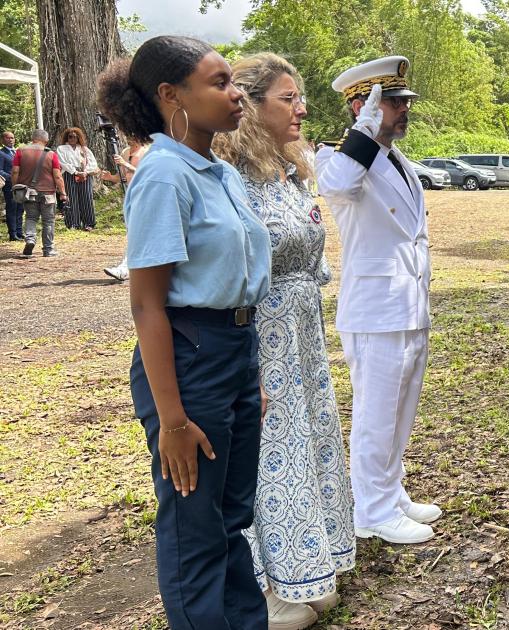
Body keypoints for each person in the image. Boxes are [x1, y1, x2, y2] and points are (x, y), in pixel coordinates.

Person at [97, 35, 271, 628]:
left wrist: (253, 374)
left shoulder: (218, 172)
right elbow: (147, 305)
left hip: (234, 352)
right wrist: (172, 421)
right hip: (190, 358)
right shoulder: (165, 175)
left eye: (235, 82)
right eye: (219, 83)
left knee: (231, 517)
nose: (236, 94)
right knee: (195, 528)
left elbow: (239, 280)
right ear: (172, 95)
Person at [212, 52, 355, 630]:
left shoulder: (289, 172)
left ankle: (306, 563)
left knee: (307, 441)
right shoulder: (230, 178)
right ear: (249, 103)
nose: (302, 108)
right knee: (268, 452)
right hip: (261, 340)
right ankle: (263, 584)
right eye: (288, 98)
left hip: (303, 339)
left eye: (300, 98)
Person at [316, 56, 442, 545]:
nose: (402, 110)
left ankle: (390, 492)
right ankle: (370, 509)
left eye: (403, 101)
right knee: (376, 413)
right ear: (361, 105)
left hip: (408, 302)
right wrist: (364, 131)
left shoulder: (397, 160)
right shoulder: (338, 157)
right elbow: (339, 186)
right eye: (391, 102)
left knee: (400, 408)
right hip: (374, 308)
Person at [102, 135, 150, 282]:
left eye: (132, 136)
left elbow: (147, 173)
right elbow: (122, 176)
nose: (130, 139)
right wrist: (110, 177)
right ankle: (130, 268)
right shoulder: (125, 151)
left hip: (146, 194)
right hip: (130, 194)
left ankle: (126, 268)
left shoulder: (148, 152)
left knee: (138, 231)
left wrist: (126, 164)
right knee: (133, 231)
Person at [12, 130, 67, 258]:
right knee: (48, 221)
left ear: (33, 138)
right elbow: (57, 176)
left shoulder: (20, 151)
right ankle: (48, 249)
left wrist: (15, 187)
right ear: (46, 140)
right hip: (48, 192)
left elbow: (15, 171)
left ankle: (30, 240)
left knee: (31, 217)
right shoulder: (51, 154)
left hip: (28, 191)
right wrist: (63, 192)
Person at [57, 127, 101, 230]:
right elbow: (63, 162)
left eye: (75, 137)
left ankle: (89, 223)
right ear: (67, 137)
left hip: (85, 174)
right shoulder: (61, 148)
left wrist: (85, 172)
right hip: (69, 174)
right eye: (70, 137)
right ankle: (73, 223)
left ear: (79, 138)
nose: (73, 139)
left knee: (86, 198)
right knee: (71, 199)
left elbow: (93, 163)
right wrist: (76, 172)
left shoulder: (84, 149)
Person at [1, 131, 20, 240]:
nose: (11, 140)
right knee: (12, 208)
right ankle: (12, 234)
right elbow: (0, 171)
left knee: (20, 208)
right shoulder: (1, 153)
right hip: (9, 185)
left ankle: (19, 232)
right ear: (2, 140)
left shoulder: (17, 152)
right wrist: (12, 177)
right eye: (8, 138)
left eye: (12, 138)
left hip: (21, 185)